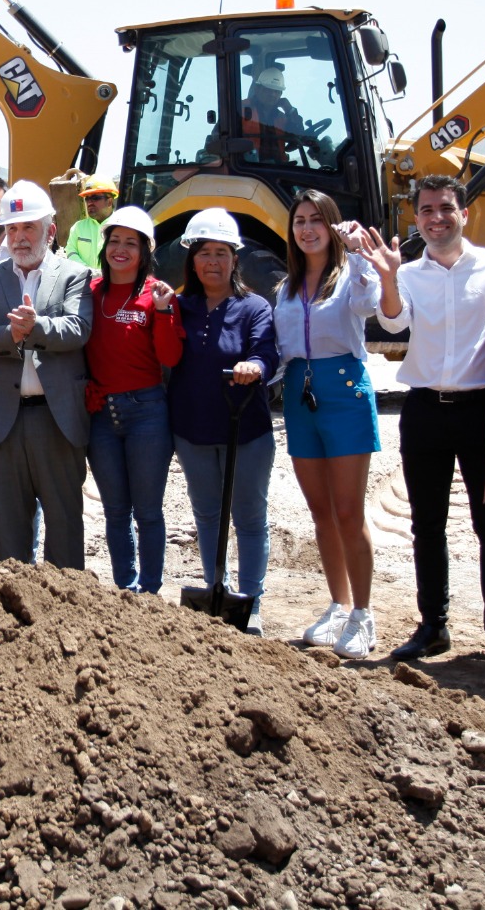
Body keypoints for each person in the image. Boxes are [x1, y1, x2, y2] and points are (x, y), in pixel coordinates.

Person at [358, 174, 485, 666]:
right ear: (416, 217)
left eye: (446, 208)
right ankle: (433, 626)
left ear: (464, 213)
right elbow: (391, 323)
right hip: (425, 409)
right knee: (427, 527)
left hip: (483, 410)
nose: (436, 218)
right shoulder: (407, 274)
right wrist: (388, 276)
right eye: (426, 210)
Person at [0, 181, 95, 568]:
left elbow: (78, 328)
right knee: (8, 532)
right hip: (4, 421)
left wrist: (35, 328)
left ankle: (65, 615)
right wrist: (11, 334)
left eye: (29, 228)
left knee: (64, 527)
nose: (19, 238)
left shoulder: (75, 274)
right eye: (13, 229)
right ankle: (13, 619)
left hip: (57, 422)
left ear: (50, 231)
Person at [276, 189, 383, 660]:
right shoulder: (284, 286)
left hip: (343, 390)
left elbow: (372, 305)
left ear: (333, 225)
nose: (306, 228)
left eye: (317, 219)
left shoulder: (349, 277)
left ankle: (363, 613)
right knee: (320, 512)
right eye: (299, 220)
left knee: (348, 512)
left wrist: (361, 254)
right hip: (300, 392)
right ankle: (338, 605)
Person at [169, 209, 278, 620]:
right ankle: (218, 589)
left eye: (220, 252)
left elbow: (266, 351)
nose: (211, 261)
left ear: (235, 258)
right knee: (208, 514)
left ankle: (250, 604)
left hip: (245, 430)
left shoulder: (253, 307)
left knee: (249, 516)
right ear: (191, 259)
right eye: (203, 252)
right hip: (192, 431)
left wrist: (256, 367)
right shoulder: (179, 306)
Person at [85, 206, 182, 591]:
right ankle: (126, 588)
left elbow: (170, 357)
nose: (120, 250)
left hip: (147, 414)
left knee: (148, 512)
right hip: (101, 415)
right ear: (104, 246)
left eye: (131, 243)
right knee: (114, 511)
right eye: (114, 241)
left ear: (145, 252)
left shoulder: (156, 295)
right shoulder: (90, 293)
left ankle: (151, 590)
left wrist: (162, 313)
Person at [239, 62, 306, 165]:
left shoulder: (282, 117)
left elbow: (299, 136)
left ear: (281, 94)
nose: (272, 94)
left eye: (277, 91)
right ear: (257, 89)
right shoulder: (241, 109)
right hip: (250, 169)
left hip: (277, 169)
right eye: (268, 90)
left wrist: (290, 110)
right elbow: (219, 135)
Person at [63, 175, 118, 272]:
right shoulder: (78, 227)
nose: (89, 203)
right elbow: (70, 251)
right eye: (87, 198)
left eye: (95, 198)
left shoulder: (122, 227)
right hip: (83, 281)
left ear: (109, 201)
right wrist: (87, 271)